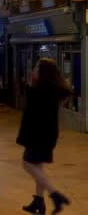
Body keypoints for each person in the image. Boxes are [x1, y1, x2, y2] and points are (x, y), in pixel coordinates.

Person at [17, 58, 72, 214]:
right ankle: (38, 201)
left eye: (36, 68)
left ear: (43, 73)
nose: (33, 70)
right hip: (46, 135)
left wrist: (29, 87)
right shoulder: (50, 90)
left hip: (38, 135)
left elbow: (32, 114)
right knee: (38, 166)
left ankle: (55, 194)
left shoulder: (40, 91)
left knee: (27, 164)